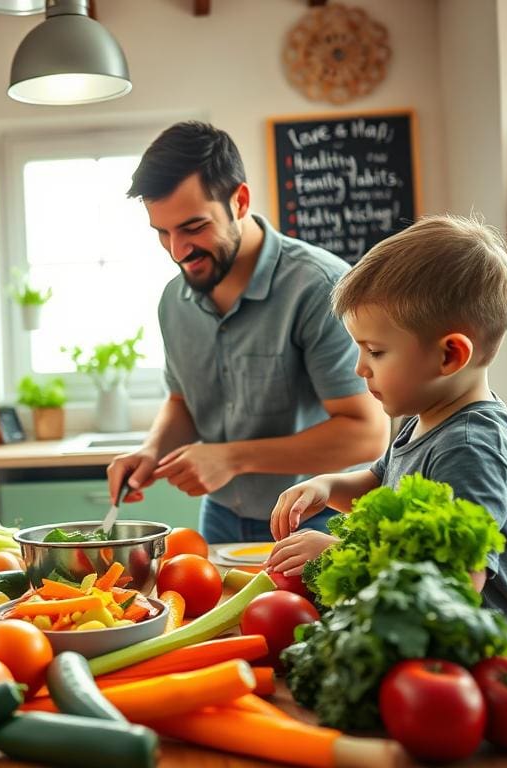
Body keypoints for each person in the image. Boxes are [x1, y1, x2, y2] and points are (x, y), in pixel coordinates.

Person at [107, 121, 388, 544]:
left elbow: (366, 433)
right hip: (220, 518)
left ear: (239, 201)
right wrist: (151, 451)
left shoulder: (319, 286)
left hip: (317, 519)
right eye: (162, 233)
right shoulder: (173, 300)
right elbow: (183, 401)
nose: (178, 252)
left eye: (193, 227)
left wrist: (232, 458)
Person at [267, 215, 507, 654]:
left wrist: (337, 555)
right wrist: (326, 484)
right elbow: (378, 484)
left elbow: (456, 580)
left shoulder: (471, 447)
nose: (359, 368)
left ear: (449, 355)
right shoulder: (425, 417)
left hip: (494, 664)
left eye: (376, 351)